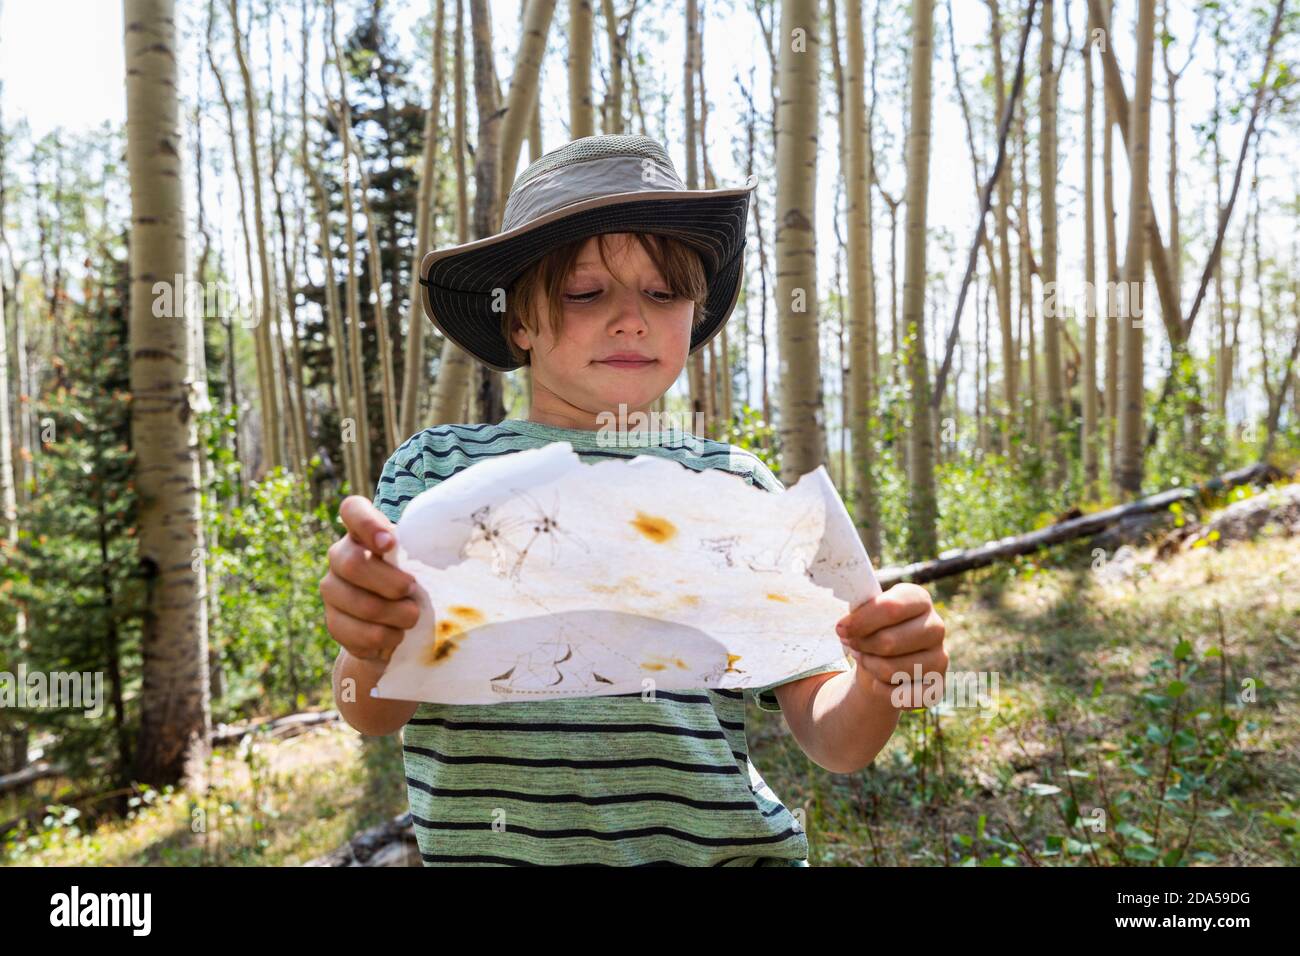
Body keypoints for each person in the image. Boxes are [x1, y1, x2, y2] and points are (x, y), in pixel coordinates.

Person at [319, 134, 947, 865]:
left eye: (663, 291)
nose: (631, 318)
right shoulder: (436, 473)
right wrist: (371, 640)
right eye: (584, 292)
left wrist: (879, 682)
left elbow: (832, 739)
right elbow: (369, 713)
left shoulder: (735, 488)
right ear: (517, 320)